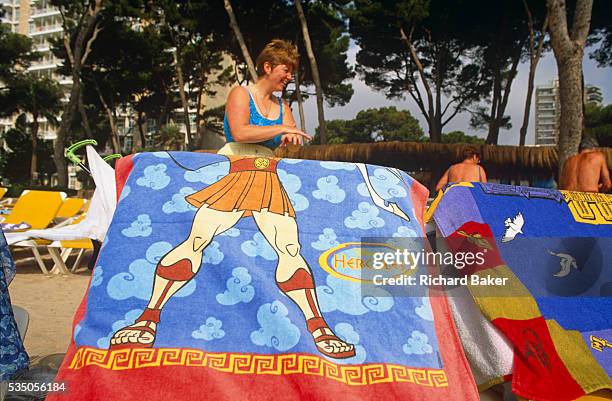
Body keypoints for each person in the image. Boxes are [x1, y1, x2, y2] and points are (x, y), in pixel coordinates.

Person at [110, 39, 356, 359]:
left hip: (268, 176)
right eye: (286, 70)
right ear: (268, 67)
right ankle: (147, 320)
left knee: (290, 248)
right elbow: (239, 133)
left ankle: (318, 328)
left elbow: (289, 141)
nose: (289, 77)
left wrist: (291, 137)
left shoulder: (284, 107)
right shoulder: (241, 93)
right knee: (197, 240)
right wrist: (282, 128)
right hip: (235, 173)